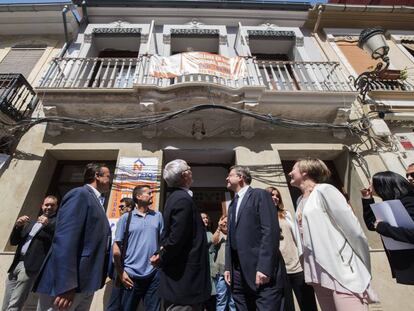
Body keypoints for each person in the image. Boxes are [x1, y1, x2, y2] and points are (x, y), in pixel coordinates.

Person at [289, 158, 377, 311]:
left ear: (305, 172)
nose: (290, 172)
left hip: (339, 267)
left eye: (293, 169)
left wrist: (362, 264)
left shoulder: (325, 190)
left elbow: (353, 229)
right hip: (317, 270)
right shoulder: (299, 200)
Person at [35, 163, 112, 311]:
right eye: (108, 176)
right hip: (67, 287)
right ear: (97, 176)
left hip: (85, 283)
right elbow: (65, 239)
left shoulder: (96, 200)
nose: (110, 180)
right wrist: (66, 284)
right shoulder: (79, 194)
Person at [150, 159, 210, 311]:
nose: (191, 172)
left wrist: (161, 253)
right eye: (189, 169)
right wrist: (162, 256)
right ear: (184, 175)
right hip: (183, 281)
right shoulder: (182, 199)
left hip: (182, 280)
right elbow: (176, 238)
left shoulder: (177, 198)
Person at [224, 165, 285, 311]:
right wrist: (228, 267)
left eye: (230, 175)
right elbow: (230, 239)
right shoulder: (232, 204)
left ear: (240, 177)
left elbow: (270, 231)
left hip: (259, 270)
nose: (226, 178)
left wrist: (264, 267)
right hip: (237, 273)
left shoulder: (259, 195)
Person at [2, 196, 58, 311]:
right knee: (6, 302)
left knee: (15, 303)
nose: (48, 207)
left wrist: (48, 225)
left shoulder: (56, 223)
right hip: (17, 263)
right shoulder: (32, 222)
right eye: (46, 204)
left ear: (57, 207)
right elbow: (14, 242)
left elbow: (58, 240)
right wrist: (18, 226)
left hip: (30, 266)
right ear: (42, 206)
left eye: (52, 205)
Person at [265, 187, 318, 311]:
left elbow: (297, 237)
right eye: (272, 195)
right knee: (287, 306)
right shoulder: (262, 217)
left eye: (277, 196)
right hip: (279, 270)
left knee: (308, 303)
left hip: (297, 265)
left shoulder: (286, 214)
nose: (275, 198)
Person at [113, 185, 163, 311]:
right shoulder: (126, 218)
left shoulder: (158, 216)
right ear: (138, 197)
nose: (152, 195)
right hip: (130, 275)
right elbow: (116, 248)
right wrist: (120, 272)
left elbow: (164, 241)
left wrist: (160, 254)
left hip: (153, 275)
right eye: (148, 193)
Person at [361, 171, 414, 285]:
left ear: (383, 185)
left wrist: (384, 228)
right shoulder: (390, 203)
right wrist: (367, 199)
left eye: (372, 184)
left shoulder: (409, 202)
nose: (369, 187)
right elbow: (373, 225)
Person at [106, 197, 135, 311]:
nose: (120, 209)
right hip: (115, 265)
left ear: (130, 208)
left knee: (118, 301)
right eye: (119, 207)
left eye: (122, 207)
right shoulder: (120, 221)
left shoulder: (129, 221)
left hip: (124, 266)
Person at [210, 216, 236, 311]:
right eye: (223, 222)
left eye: (227, 222)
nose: (225, 224)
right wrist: (218, 228)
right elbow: (213, 241)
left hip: (233, 271)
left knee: (233, 300)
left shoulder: (234, 233)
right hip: (221, 272)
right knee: (221, 299)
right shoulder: (219, 234)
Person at [201, 212, 216, 311]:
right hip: (204, 268)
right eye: (203, 218)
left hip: (212, 267)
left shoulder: (210, 233)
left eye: (206, 217)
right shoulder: (198, 234)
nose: (206, 219)